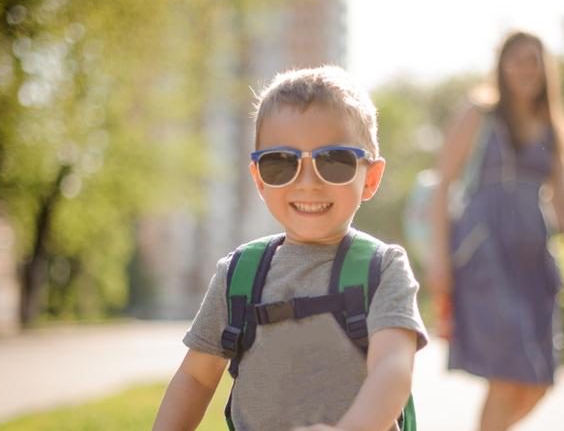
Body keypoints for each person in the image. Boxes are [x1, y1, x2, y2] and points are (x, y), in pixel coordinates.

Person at [152, 66, 428, 431]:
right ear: (259, 180)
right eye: (281, 163)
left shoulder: (382, 268)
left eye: (334, 161)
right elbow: (196, 378)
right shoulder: (239, 274)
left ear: (370, 178)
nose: (308, 182)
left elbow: (392, 368)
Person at [427, 31, 564, 431]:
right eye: (517, 60)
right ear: (502, 67)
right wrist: (439, 259)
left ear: (545, 70)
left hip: (534, 261)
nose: (526, 69)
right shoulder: (479, 114)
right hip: (485, 253)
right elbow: (442, 185)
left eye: (533, 60)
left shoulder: (550, 127)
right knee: (509, 374)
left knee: (540, 378)